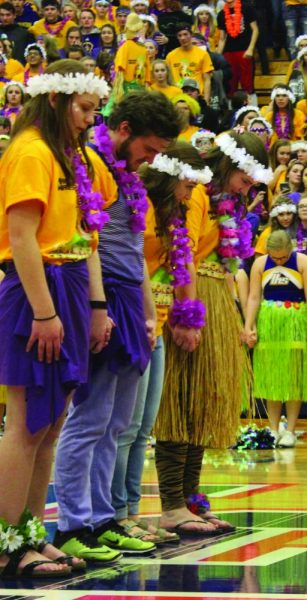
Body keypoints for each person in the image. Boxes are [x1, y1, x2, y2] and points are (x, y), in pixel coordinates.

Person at [53, 91, 180, 563]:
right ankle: (73, 524)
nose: (152, 159)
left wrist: (148, 314)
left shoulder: (128, 177)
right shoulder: (89, 165)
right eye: (149, 148)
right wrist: (97, 306)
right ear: (123, 130)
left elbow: (133, 254)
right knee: (89, 417)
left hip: (129, 301)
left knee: (117, 421)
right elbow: (89, 242)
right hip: (100, 299)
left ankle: (104, 518)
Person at [0, 60, 109, 579]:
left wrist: (90, 305)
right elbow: (21, 238)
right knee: (24, 425)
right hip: (34, 289)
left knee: (50, 424)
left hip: (63, 283)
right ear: (57, 102)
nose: (90, 119)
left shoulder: (68, 158)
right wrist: (44, 312)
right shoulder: (29, 152)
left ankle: (27, 531)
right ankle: (4, 542)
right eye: (85, 109)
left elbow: (86, 233)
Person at [153, 131, 271, 536]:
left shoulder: (227, 203)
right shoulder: (199, 194)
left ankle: (191, 499)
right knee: (181, 403)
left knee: (202, 404)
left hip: (216, 294)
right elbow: (180, 249)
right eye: (247, 176)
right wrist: (185, 314)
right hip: (192, 297)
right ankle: (171, 503)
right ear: (228, 164)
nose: (251, 185)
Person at [110, 143, 211, 548]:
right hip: (132, 315)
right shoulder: (142, 207)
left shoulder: (173, 213)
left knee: (141, 427)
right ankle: (115, 513)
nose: (192, 193)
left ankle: (132, 512)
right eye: (188, 184)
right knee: (124, 425)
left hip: (155, 321)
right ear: (171, 179)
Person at [242, 230, 307, 448]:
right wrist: (249, 326)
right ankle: (274, 428)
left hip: (296, 319)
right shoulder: (260, 264)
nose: (278, 261)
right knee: (273, 376)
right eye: (275, 258)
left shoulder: (303, 262)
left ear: (291, 249)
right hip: (269, 323)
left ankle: (291, 429)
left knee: (294, 376)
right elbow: (254, 297)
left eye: (283, 258)